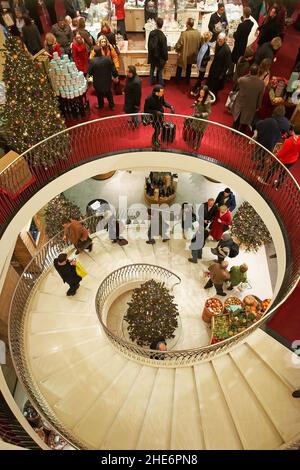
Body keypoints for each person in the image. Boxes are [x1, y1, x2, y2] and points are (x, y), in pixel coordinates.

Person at [232, 64, 265, 134]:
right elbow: (260, 96)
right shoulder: (261, 84)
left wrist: (248, 75)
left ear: (250, 72)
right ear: (258, 72)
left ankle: (234, 129)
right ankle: (241, 131)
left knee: (238, 116)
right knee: (247, 119)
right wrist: (258, 106)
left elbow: (238, 80)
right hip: (251, 104)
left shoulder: (243, 80)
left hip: (241, 101)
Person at [143, 85, 174, 149]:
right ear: (156, 92)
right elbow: (146, 110)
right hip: (154, 117)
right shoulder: (149, 99)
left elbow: (163, 103)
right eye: (161, 92)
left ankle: (155, 139)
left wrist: (170, 106)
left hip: (160, 116)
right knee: (157, 129)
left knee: (158, 129)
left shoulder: (161, 96)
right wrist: (156, 112)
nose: (163, 93)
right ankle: (154, 140)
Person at [175, 18, 202, 84]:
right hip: (193, 55)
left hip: (184, 54)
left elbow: (179, 45)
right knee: (189, 67)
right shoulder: (198, 33)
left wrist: (176, 49)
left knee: (179, 67)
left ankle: (177, 81)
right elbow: (201, 44)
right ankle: (187, 80)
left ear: (188, 25)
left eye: (186, 23)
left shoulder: (184, 34)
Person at [207, 32, 232, 98]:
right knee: (210, 82)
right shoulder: (218, 44)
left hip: (219, 71)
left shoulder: (227, 50)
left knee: (215, 86)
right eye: (218, 39)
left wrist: (222, 74)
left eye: (220, 40)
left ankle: (213, 97)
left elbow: (227, 64)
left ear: (224, 40)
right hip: (214, 67)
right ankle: (208, 94)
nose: (218, 41)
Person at [189, 85, 212, 150]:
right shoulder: (199, 95)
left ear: (206, 93)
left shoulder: (207, 101)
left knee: (200, 133)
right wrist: (194, 105)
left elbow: (209, 112)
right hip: (197, 117)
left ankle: (197, 145)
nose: (201, 94)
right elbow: (197, 102)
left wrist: (201, 115)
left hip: (203, 120)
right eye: (200, 92)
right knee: (195, 130)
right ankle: (193, 141)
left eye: (202, 93)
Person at [147, 17, 168, 87]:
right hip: (160, 57)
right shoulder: (163, 36)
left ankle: (151, 81)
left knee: (152, 69)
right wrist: (166, 58)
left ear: (156, 24)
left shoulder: (151, 33)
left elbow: (148, 44)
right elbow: (164, 49)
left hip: (152, 55)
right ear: (162, 25)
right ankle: (160, 82)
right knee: (160, 70)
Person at [191, 31, 213, 96]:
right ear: (209, 38)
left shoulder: (204, 44)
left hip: (201, 64)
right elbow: (204, 57)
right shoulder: (206, 46)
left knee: (200, 77)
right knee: (200, 78)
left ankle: (198, 89)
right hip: (203, 65)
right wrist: (209, 58)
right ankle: (194, 90)